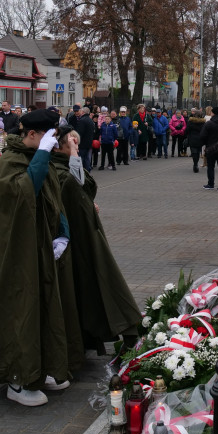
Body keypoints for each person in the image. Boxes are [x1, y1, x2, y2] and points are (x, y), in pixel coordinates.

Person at [0, 109, 82, 407]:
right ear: (33, 134)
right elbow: (24, 192)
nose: (52, 141)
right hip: (17, 250)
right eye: (48, 136)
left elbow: (54, 196)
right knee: (20, 306)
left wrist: (62, 232)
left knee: (45, 305)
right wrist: (42, 156)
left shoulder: (39, 156)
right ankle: (17, 378)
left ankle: (42, 367)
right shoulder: (11, 160)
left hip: (41, 245)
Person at [51, 131, 141, 352]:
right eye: (71, 143)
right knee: (100, 282)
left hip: (85, 234)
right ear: (58, 147)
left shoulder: (63, 165)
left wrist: (87, 202)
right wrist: (73, 155)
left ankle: (119, 334)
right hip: (76, 238)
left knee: (95, 283)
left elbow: (82, 187)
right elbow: (74, 184)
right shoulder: (57, 168)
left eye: (77, 143)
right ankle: (126, 333)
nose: (76, 147)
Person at [185, 108, 205, 173]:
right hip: (200, 139)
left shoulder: (191, 122)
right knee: (198, 152)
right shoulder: (203, 123)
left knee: (194, 152)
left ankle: (195, 164)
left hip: (192, 139)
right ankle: (196, 164)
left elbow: (187, 130)